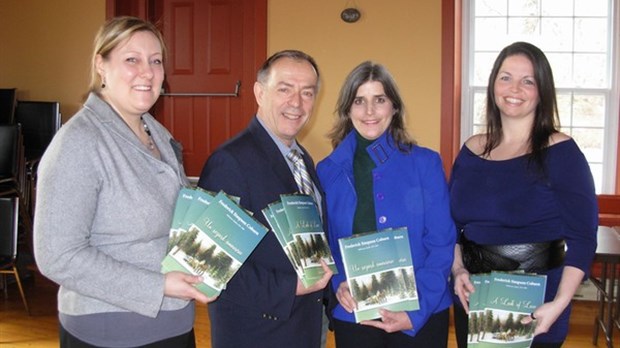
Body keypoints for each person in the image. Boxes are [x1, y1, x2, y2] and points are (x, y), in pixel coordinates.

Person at [33, 16, 214, 348]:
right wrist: (157, 285)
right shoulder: (79, 142)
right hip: (111, 331)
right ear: (101, 65)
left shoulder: (156, 132)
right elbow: (56, 255)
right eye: (132, 59)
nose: (147, 72)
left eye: (156, 61)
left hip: (173, 322)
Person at [450, 41, 598, 348]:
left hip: (537, 303)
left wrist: (558, 304)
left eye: (527, 81)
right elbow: (451, 225)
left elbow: (583, 239)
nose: (514, 88)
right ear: (493, 85)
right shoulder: (470, 150)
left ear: (542, 91)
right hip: (475, 296)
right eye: (505, 77)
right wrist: (458, 269)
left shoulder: (562, 153)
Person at [197, 49, 334, 348]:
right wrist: (290, 287)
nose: (296, 103)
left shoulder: (302, 160)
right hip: (257, 333)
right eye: (284, 89)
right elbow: (210, 264)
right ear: (260, 92)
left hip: (306, 326)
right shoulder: (229, 162)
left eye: (307, 93)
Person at [316, 61, 456, 347]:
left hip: (421, 313)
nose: (369, 112)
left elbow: (442, 243)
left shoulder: (425, 164)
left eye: (379, 100)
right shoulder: (328, 170)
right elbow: (325, 243)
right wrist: (337, 282)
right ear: (347, 109)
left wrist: (415, 311)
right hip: (354, 310)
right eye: (359, 101)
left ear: (394, 107)